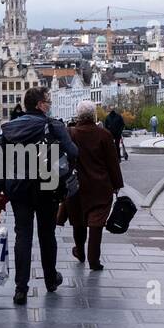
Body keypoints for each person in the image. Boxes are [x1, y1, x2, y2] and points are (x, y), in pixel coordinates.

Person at [0, 86, 78, 305]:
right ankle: (50, 279)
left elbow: (3, 163)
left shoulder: (9, 129)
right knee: (47, 234)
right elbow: (74, 152)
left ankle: (21, 288)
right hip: (47, 187)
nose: (49, 104)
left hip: (18, 187)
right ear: (40, 105)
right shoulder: (53, 125)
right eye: (47, 101)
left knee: (23, 235)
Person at [65, 100, 124, 270]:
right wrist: (117, 184)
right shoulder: (104, 135)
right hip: (100, 186)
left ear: (78, 115)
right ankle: (94, 260)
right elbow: (113, 162)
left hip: (76, 187)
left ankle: (80, 250)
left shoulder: (71, 134)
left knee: (78, 221)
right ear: (94, 115)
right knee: (96, 223)